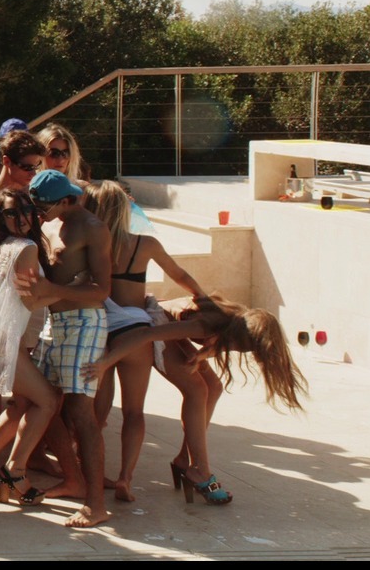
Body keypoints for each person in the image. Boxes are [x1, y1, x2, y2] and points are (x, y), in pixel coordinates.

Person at [85, 294, 308, 506]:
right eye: (241, 348)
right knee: (197, 391)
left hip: (173, 330)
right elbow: (147, 335)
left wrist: (201, 355)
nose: (238, 352)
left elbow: (216, 345)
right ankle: (200, 470)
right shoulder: (205, 325)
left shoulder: (233, 321)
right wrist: (107, 362)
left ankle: (185, 460)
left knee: (214, 387)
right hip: (155, 322)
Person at [87, 180, 210, 501]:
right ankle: (125, 478)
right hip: (135, 332)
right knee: (134, 412)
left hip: (100, 330)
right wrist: (203, 297)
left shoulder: (89, 247)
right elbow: (179, 275)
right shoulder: (144, 245)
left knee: (96, 415)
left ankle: (91, 473)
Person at [0, 188, 65, 507]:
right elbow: (30, 300)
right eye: (10, 213)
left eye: (25, 210)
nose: (21, 218)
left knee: (22, 402)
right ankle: (15, 471)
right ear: (0, 218)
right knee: (47, 400)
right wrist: (74, 291)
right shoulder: (27, 246)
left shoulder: (1, 245)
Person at [19, 169, 113, 528]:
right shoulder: (48, 223)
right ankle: (73, 479)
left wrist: (53, 291)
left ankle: (96, 506)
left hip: (84, 322)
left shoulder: (92, 227)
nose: (38, 214)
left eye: (43, 207)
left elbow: (102, 289)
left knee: (80, 412)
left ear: (67, 200)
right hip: (53, 321)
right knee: (41, 401)